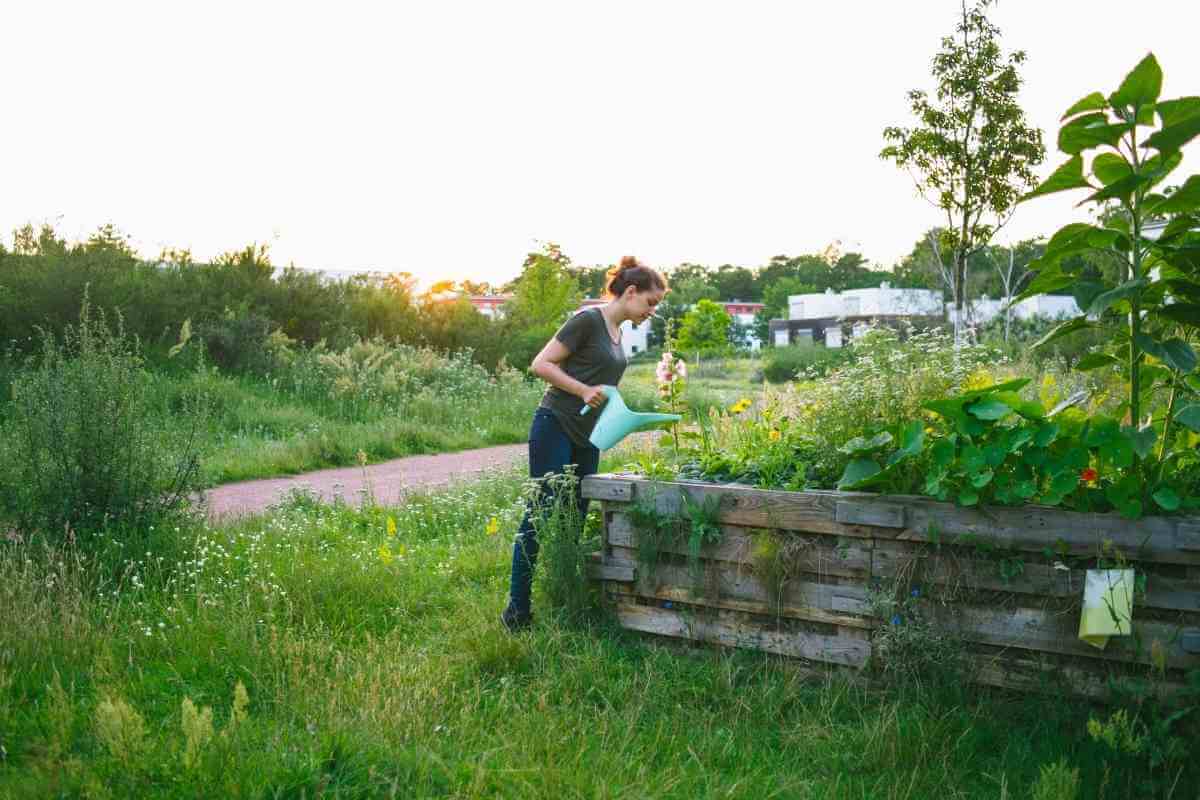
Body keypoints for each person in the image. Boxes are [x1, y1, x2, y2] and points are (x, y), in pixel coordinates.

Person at [501, 256, 668, 632]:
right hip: (555, 425)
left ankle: (565, 596)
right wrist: (582, 390)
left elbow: (603, 386)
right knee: (541, 515)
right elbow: (541, 364)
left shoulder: (617, 332)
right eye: (650, 302)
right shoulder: (587, 321)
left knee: (575, 518)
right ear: (630, 292)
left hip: (589, 436)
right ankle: (517, 611)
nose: (652, 311)